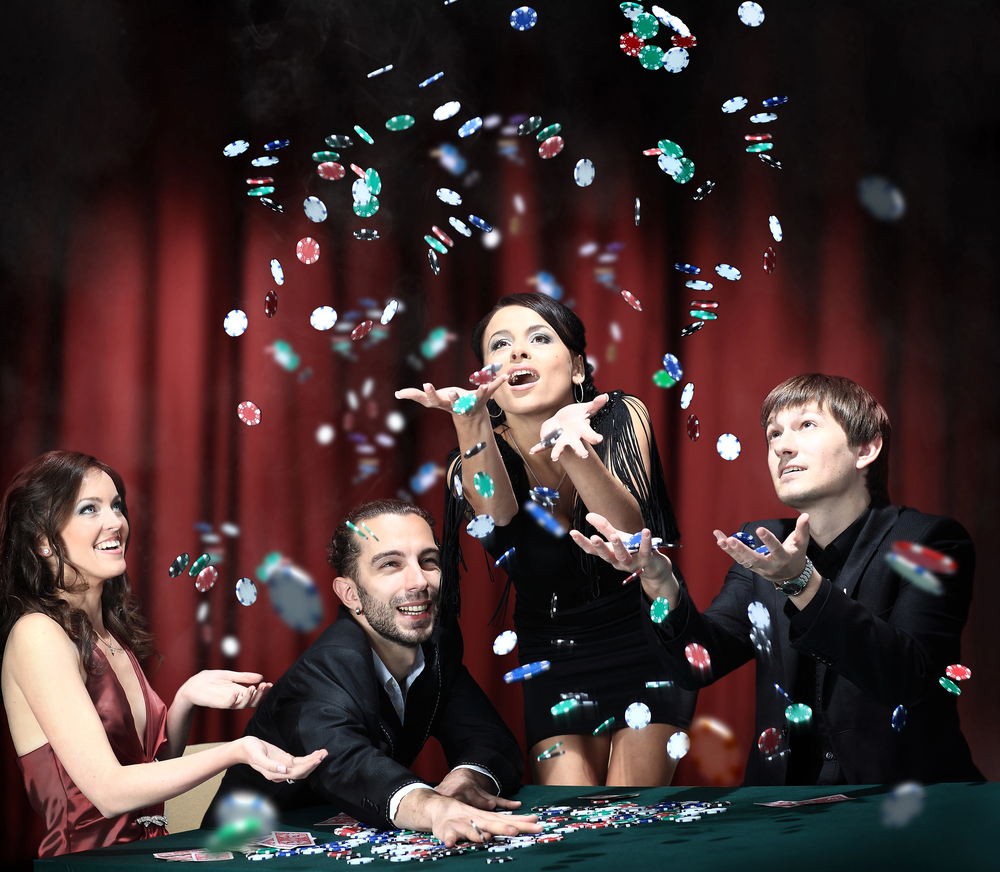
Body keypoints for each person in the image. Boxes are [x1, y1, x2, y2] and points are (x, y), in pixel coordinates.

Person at [572, 373, 983, 785]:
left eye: (807, 425)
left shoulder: (928, 541)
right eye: (773, 433)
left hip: (906, 804)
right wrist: (660, 582)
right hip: (784, 810)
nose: (782, 446)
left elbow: (910, 677)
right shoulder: (762, 542)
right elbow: (698, 664)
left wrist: (802, 582)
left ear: (866, 448)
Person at [396, 293, 696, 786]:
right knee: (570, 818)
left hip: (645, 634)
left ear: (577, 367)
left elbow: (626, 537)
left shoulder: (620, 415)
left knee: (628, 813)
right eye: (501, 345)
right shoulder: (468, 461)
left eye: (538, 339)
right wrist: (469, 419)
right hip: (553, 650)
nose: (517, 353)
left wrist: (571, 448)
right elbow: (498, 521)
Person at [0, 450, 327, 858]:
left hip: (148, 857)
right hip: (86, 864)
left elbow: (150, 772)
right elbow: (110, 792)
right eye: (89, 509)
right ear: (45, 543)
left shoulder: (108, 636)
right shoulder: (37, 635)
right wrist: (237, 751)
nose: (115, 522)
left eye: (116, 505)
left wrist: (187, 697)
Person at [205, 499, 541, 848]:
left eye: (428, 561)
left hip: (350, 843)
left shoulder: (438, 647)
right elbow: (351, 766)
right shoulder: (323, 670)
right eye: (391, 565)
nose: (419, 581)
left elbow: (491, 740)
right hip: (242, 850)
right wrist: (434, 807)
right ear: (351, 594)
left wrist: (466, 778)